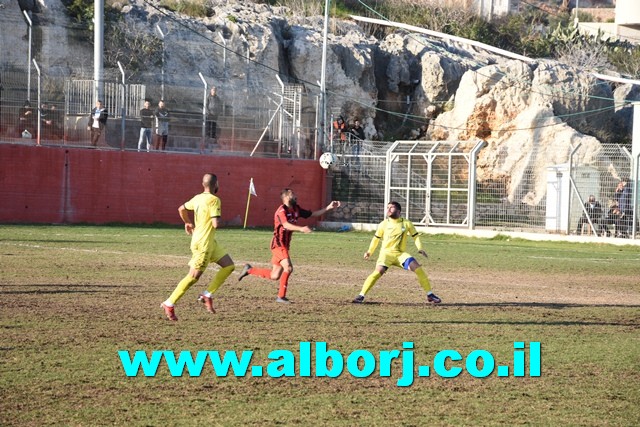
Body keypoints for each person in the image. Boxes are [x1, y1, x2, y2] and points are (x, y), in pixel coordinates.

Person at [238, 188, 341, 303]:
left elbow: (312, 214)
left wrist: (328, 207)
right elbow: (286, 225)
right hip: (278, 244)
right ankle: (281, 297)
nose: (296, 196)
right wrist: (301, 228)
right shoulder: (281, 211)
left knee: (275, 275)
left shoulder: (296, 209)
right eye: (293, 194)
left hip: (285, 245)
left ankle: (250, 270)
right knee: (289, 268)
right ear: (286, 197)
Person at [160, 173, 236, 321]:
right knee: (193, 277)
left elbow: (181, 208)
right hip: (204, 244)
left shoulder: (197, 198)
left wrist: (187, 222)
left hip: (208, 242)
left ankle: (207, 295)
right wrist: (233, 222)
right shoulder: (214, 200)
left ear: (203, 184)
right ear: (216, 185)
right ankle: (169, 303)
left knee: (229, 266)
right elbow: (216, 224)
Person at [352, 201, 441, 304]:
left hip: (400, 255)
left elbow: (415, 236)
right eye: (387, 207)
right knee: (377, 273)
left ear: (398, 211)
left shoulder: (406, 223)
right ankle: (361, 296)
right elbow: (376, 239)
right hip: (386, 254)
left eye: (391, 208)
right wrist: (369, 252)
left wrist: (420, 248)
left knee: (419, 269)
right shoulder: (384, 224)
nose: (388, 210)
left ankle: (430, 294)